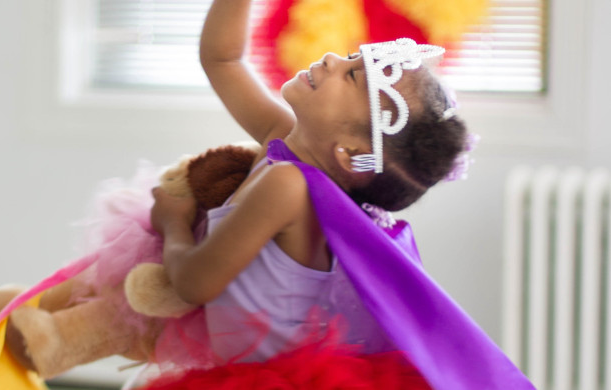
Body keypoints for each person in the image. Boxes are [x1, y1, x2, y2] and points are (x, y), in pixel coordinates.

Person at [146, 0, 535, 388]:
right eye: (352, 58)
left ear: (350, 153)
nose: (332, 58)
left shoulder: (287, 186)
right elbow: (222, 60)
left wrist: (174, 223)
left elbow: (194, 284)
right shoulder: (282, 140)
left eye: (351, 76)